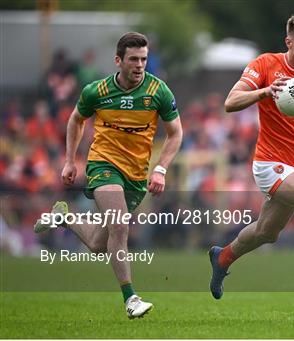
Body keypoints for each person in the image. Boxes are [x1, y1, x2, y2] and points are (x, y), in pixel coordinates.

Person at [34, 32, 183, 318]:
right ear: (119, 61)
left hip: (137, 174)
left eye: (144, 59)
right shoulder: (97, 91)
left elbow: (176, 133)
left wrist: (161, 169)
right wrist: (69, 160)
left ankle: (64, 217)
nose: (140, 65)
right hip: (104, 164)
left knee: (99, 244)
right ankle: (131, 298)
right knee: (120, 226)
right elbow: (76, 119)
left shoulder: (158, 91)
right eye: (133, 60)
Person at [209, 12, 294, 310]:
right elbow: (230, 102)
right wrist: (265, 92)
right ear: (289, 42)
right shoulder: (265, 65)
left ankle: (222, 257)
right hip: (270, 164)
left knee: (266, 233)